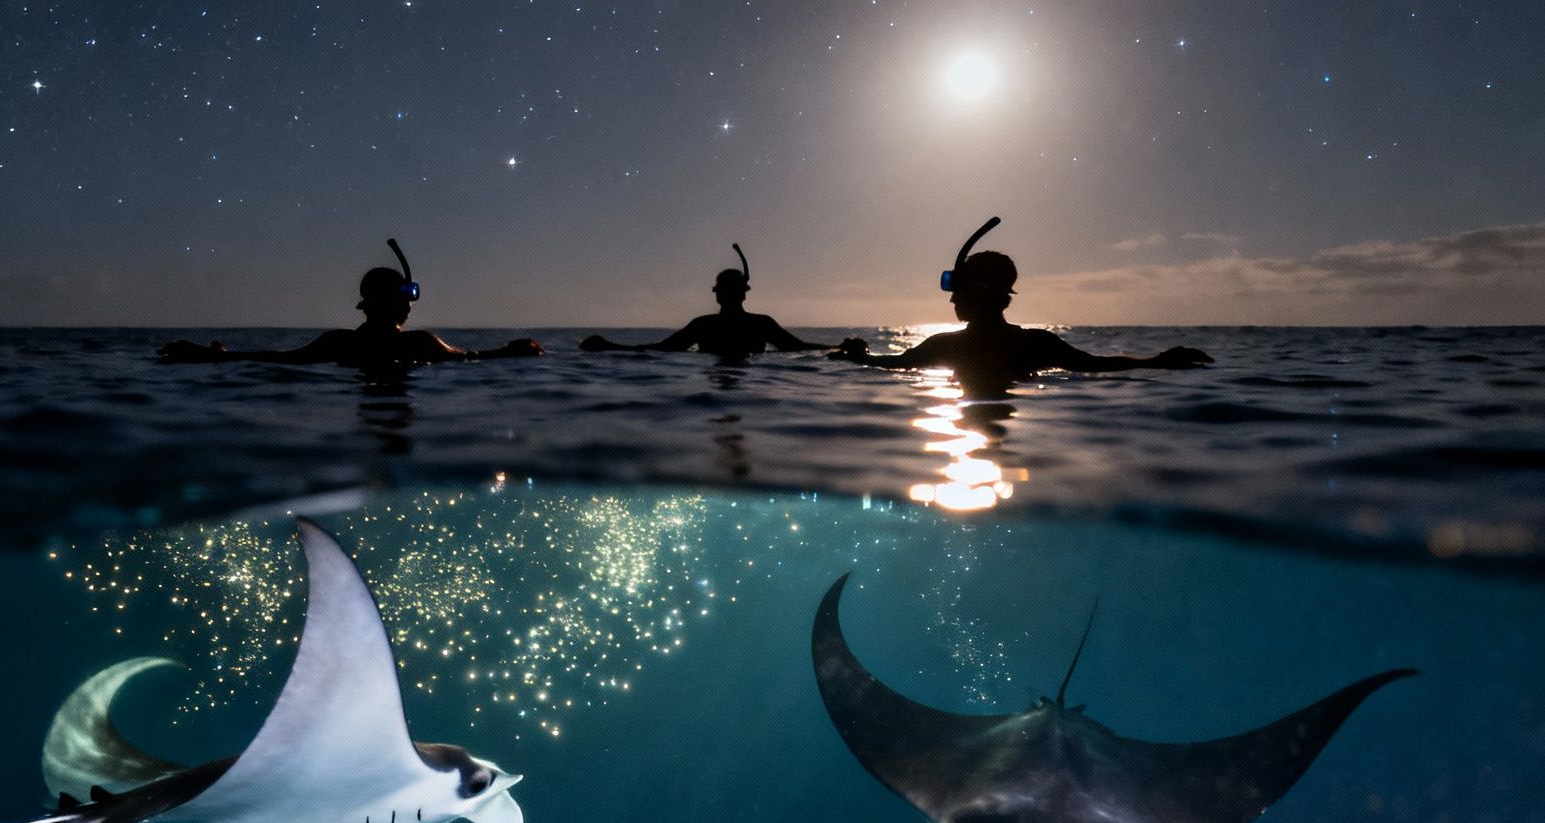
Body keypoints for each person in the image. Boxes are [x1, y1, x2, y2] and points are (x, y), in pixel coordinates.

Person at [832, 218, 1212, 399]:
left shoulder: (945, 346)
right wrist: (1157, 361)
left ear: (981, 293)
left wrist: (854, 357)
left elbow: (890, 366)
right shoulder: (1037, 344)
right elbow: (1096, 364)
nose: (952, 300)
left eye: (958, 291)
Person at [157, 240, 543, 368]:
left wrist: (215, 356)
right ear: (381, 302)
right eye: (406, 295)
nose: (411, 304)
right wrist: (511, 351)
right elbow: (472, 358)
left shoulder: (338, 342)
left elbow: (278, 358)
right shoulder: (420, 343)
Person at [580, 245, 839, 358]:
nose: (724, 295)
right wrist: (611, 347)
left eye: (728, 290)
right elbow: (663, 349)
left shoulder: (758, 323)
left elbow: (797, 348)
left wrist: (839, 348)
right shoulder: (706, 324)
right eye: (723, 291)